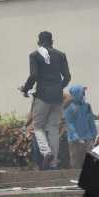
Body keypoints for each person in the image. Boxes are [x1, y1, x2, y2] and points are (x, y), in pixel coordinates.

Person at [20, 31, 71, 170]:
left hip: (42, 95)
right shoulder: (61, 55)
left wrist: (25, 89)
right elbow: (67, 77)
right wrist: (58, 88)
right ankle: (54, 162)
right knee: (53, 128)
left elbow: (33, 75)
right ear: (52, 41)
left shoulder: (34, 55)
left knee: (38, 127)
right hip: (57, 96)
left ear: (39, 42)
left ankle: (46, 152)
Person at [63, 85, 97, 171]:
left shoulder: (87, 106)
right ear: (76, 94)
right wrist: (75, 135)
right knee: (76, 163)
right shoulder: (69, 108)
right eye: (82, 93)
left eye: (83, 93)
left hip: (87, 139)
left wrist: (94, 134)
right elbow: (69, 123)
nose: (83, 95)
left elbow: (91, 121)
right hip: (75, 141)